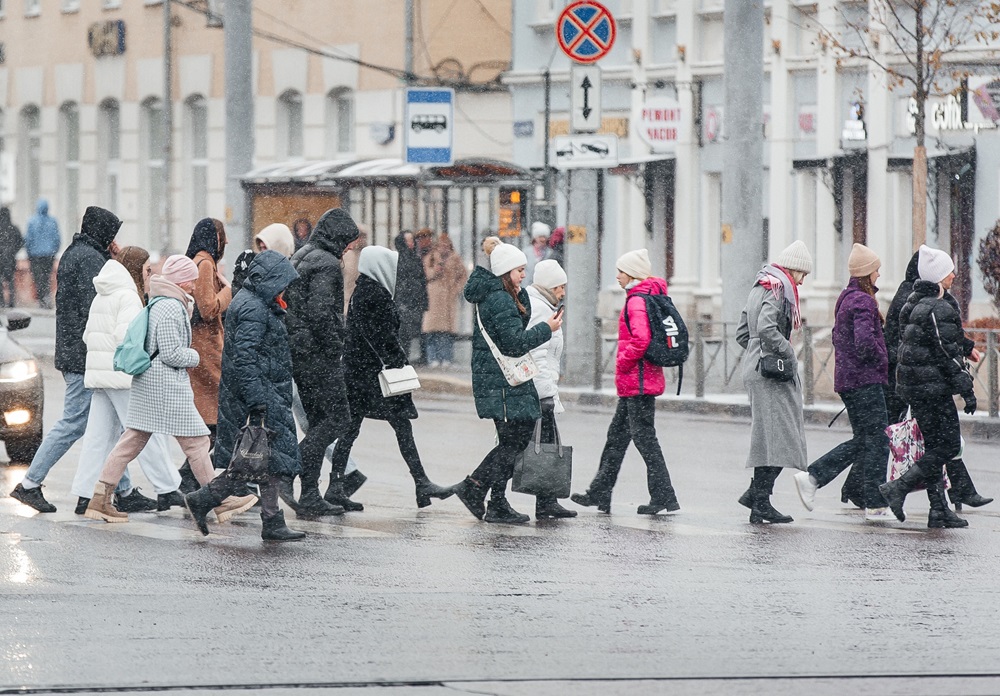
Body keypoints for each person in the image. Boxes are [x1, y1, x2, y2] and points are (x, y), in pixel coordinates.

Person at [84, 256, 256, 524]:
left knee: (132, 440)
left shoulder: (160, 302)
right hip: (166, 387)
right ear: (181, 281)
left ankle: (100, 498)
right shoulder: (171, 307)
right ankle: (219, 500)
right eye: (191, 280)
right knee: (197, 443)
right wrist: (195, 356)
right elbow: (171, 354)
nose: (194, 285)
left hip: (151, 383)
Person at [10, 206, 126, 514]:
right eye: (112, 234)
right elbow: (99, 306)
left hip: (79, 352)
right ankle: (29, 484)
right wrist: (115, 264)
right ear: (102, 232)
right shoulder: (90, 259)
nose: (114, 239)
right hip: (84, 355)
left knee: (106, 423)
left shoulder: (80, 253)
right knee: (76, 422)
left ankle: (120, 489)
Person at [184, 250, 306, 541]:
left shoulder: (256, 302)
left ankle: (271, 519)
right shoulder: (253, 307)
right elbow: (245, 356)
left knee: (264, 460)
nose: (284, 289)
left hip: (265, 390)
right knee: (254, 460)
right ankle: (205, 499)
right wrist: (257, 399)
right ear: (270, 279)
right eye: (282, 282)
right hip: (260, 393)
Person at [326, 246, 453, 509]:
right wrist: (400, 362)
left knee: (352, 430)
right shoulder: (376, 294)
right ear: (380, 267)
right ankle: (421, 483)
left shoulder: (364, 290)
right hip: (372, 375)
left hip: (359, 373)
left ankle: (336, 486)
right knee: (398, 427)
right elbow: (383, 337)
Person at [451, 242, 560, 524]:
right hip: (503, 381)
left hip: (498, 380)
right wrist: (546, 328)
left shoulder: (498, 295)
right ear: (505, 272)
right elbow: (514, 343)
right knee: (515, 440)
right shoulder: (499, 299)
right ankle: (476, 488)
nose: (524, 274)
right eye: (519, 270)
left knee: (511, 440)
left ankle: (491, 499)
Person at [70, 247, 184, 514]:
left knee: (98, 437)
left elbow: (88, 335)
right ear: (136, 268)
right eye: (147, 269)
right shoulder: (129, 296)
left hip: (100, 375)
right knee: (145, 430)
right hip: (122, 376)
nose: (149, 275)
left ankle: (85, 494)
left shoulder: (104, 293)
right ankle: (167, 488)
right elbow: (126, 338)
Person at [876, 249, 992, 512]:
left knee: (934, 447)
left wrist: (964, 348)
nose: (954, 275)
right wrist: (967, 391)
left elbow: (931, 342)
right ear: (939, 276)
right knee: (949, 445)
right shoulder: (937, 307)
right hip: (932, 388)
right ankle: (898, 488)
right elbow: (946, 353)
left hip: (916, 387)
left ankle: (938, 509)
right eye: (949, 271)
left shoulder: (913, 302)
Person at [571, 249, 681, 516]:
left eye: (621, 271)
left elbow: (641, 340)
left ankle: (663, 495)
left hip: (638, 382)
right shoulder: (645, 296)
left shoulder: (636, 301)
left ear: (632, 274)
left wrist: (621, 361)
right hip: (639, 381)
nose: (618, 276)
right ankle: (600, 491)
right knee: (617, 438)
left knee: (645, 439)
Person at [792, 244, 891, 521]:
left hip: (851, 381)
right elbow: (865, 343)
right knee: (877, 440)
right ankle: (870, 501)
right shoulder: (863, 301)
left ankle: (817, 479)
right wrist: (883, 357)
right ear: (866, 273)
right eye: (876, 270)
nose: (879, 275)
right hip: (864, 381)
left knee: (866, 440)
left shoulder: (847, 298)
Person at [285, 207, 361, 516]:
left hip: (300, 353)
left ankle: (310, 495)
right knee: (338, 419)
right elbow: (321, 313)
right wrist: (335, 346)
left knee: (318, 421)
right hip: (318, 356)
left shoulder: (303, 254)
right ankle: (289, 470)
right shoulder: (327, 264)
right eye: (348, 241)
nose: (349, 247)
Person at [734, 240, 812, 524]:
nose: (802, 281)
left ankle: (757, 498)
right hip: (771, 373)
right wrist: (786, 352)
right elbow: (767, 328)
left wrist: (757, 353)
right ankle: (760, 500)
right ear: (794, 269)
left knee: (771, 439)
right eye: (802, 274)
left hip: (758, 369)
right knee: (782, 438)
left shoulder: (761, 285)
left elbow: (743, 333)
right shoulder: (779, 289)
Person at [179, 218, 232, 491]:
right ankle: (190, 477)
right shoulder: (205, 263)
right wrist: (228, 292)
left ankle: (190, 477)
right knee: (217, 419)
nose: (227, 241)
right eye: (223, 235)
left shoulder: (199, 261)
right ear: (214, 237)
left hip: (201, 347)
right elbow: (208, 308)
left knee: (212, 420)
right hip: (206, 349)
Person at [526, 259, 575, 519]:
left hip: (541, 387)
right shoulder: (538, 308)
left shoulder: (544, 305)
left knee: (545, 444)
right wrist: (546, 394)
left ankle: (547, 500)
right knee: (523, 446)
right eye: (559, 287)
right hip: (538, 390)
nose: (563, 292)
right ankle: (481, 488)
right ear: (548, 286)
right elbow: (537, 354)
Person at [422, 233, 468, 367]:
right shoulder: (431, 257)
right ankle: (433, 358)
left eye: (446, 245)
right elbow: (425, 274)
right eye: (441, 245)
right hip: (433, 297)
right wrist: (435, 271)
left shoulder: (455, 259)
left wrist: (456, 289)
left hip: (448, 298)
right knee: (432, 331)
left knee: (446, 332)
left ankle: (446, 357)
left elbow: (463, 276)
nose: (443, 248)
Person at [394, 231, 429, 363]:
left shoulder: (416, 258)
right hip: (405, 301)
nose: (411, 243)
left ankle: (420, 356)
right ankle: (405, 356)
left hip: (415, 300)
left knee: (418, 329)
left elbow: (421, 280)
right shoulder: (398, 259)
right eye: (408, 240)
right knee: (404, 330)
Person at [231, 223, 296, 291]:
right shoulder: (252, 267)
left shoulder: (291, 276)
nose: (262, 253)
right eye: (261, 248)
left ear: (279, 247)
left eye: (265, 248)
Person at [24, 198, 61, 309]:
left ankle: (42, 298)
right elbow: (57, 238)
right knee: (46, 276)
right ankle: (46, 297)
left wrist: (29, 252)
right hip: (49, 254)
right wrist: (54, 250)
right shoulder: (52, 221)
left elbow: (28, 239)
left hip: (35, 255)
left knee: (38, 277)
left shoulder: (32, 221)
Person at [0, 207, 23, 307]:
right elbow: (21, 241)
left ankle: (1, 301)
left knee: (1, 280)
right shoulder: (13, 228)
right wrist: (13, 251)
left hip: (1, 258)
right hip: (10, 258)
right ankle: (11, 302)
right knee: (11, 280)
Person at [342, 227, 369, 313]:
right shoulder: (346, 255)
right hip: (346, 298)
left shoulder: (367, 255)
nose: (361, 240)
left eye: (363, 237)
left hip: (361, 300)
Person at [524, 221, 550, 287]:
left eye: (545, 237)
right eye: (540, 236)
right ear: (535, 237)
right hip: (527, 286)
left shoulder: (549, 253)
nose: (543, 239)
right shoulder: (526, 252)